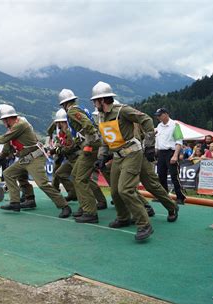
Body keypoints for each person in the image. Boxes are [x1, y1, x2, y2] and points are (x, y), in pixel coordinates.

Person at [92, 81, 154, 241]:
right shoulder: (102, 117)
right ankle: (123, 217)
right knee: (114, 191)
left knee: (125, 189)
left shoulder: (123, 110)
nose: (93, 103)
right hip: (117, 156)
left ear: (102, 100)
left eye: (95, 100)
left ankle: (144, 224)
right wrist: (102, 156)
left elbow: (146, 119)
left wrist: (149, 144)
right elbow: (106, 138)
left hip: (132, 153)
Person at [0, 104, 72, 218]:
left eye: (3, 120)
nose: (3, 123)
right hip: (26, 158)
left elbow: (4, 139)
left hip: (35, 157)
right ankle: (18, 202)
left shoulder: (20, 125)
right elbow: (7, 145)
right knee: (8, 174)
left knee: (42, 183)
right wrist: (1, 157)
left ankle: (64, 206)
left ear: (7, 119)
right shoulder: (12, 129)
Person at [59, 89, 106, 223]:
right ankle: (85, 207)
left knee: (79, 178)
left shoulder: (72, 111)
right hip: (90, 145)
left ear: (64, 104)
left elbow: (88, 125)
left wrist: (89, 141)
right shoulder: (81, 108)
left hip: (89, 147)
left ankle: (90, 212)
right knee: (75, 175)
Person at [154, 108, 187, 205]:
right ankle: (164, 197)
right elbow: (158, 141)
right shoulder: (159, 126)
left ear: (166, 114)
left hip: (171, 152)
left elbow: (179, 141)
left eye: (159, 115)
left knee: (174, 176)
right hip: (161, 153)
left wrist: (175, 155)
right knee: (161, 176)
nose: (158, 117)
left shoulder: (175, 125)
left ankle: (180, 197)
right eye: (157, 115)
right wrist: (155, 153)